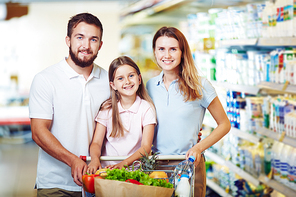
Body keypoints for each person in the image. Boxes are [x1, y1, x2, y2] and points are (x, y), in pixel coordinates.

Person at [29, 13, 110, 196]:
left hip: (99, 181)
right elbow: (39, 132)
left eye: (93, 39)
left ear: (100, 44)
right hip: (55, 184)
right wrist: (73, 160)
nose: (86, 46)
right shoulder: (46, 79)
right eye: (79, 37)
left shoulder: (109, 81)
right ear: (68, 40)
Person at [146, 26, 231, 197]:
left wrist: (199, 147)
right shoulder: (149, 86)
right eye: (161, 49)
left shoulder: (199, 85)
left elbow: (224, 124)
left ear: (182, 52)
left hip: (188, 166)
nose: (167, 55)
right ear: (155, 52)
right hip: (156, 167)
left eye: (173, 49)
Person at [87, 56, 156, 173]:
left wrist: (123, 164)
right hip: (108, 171)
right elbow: (96, 142)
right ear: (113, 85)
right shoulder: (107, 109)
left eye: (131, 76)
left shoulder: (146, 108)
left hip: (136, 172)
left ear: (139, 79)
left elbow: (146, 147)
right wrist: (94, 159)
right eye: (120, 78)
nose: (127, 81)